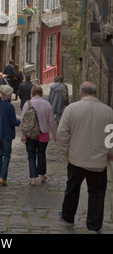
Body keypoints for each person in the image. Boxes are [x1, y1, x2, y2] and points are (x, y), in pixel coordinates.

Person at [57, 81, 113, 233]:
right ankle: (94, 226)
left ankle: (68, 218)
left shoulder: (72, 109)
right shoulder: (108, 112)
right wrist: (110, 153)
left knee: (72, 189)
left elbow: (61, 132)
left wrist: (66, 150)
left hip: (76, 158)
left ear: (81, 93)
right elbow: (111, 136)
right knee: (97, 194)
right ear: (96, 93)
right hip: (98, 161)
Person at [20, 84, 57, 186]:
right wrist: (54, 135)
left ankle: (33, 179)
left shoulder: (27, 104)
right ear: (41, 93)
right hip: (43, 134)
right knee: (41, 154)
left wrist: (22, 136)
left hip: (30, 134)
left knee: (31, 156)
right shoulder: (47, 104)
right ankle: (42, 176)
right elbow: (51, 122)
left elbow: (23, 121)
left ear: (32, 93)